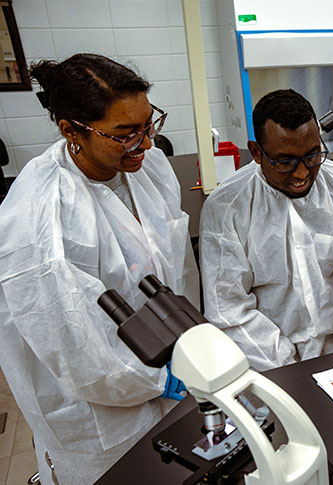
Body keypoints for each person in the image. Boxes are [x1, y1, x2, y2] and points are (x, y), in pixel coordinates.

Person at [0, 54, 200, 483]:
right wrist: (149, 378)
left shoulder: (149, 169)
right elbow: (68, 339)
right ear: (70, 129)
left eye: (149, 125)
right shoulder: (40, 212)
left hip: (170, 367)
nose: (145, 144)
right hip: (99, 403)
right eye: (125, 134)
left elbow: (174, 271)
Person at [200, 89, 333, 371]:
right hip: (269, 362)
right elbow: (229, 309)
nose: (302, 173)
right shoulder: (227, 208)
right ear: (256, 152)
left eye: (312, 155)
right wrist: (286, 367)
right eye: (285, 161)